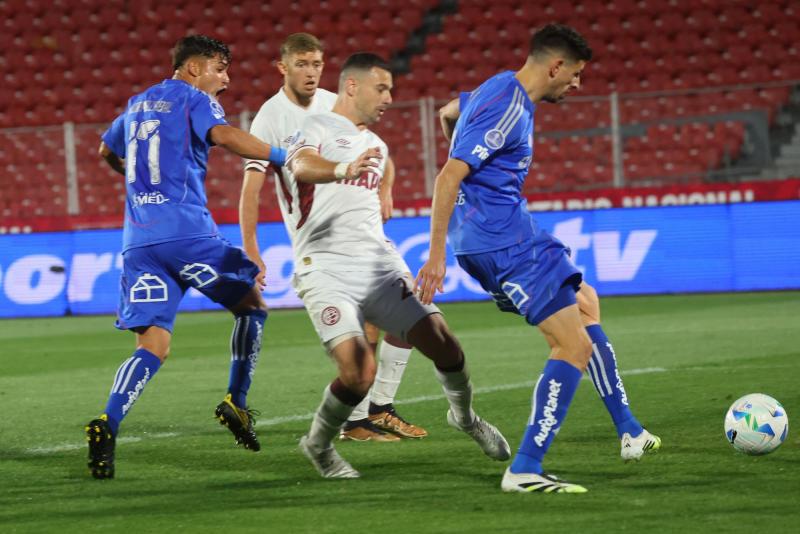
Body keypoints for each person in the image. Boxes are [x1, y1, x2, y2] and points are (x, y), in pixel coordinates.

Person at [415, 24, 661, 494]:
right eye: (576, 74)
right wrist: (435, 256)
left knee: (585, 302)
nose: (577, 84)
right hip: (503, 241)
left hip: (505, 235)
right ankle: (525, 467)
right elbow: (448, 176)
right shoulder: (508, 106)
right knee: (573, 346)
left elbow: (449, 114)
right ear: (555, 66)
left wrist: (470, 198)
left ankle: (629, 430)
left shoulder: (496, 87)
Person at [283, 52, 510, 478]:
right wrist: (342, 168)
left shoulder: (378, 144)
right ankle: (318, 445)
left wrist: (383, 187)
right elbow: (301, 164)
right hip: (324, 266)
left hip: (378, 264)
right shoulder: (314, 127)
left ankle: (464, 418)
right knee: (357, 373)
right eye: (382, 88)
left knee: (444, 343)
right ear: (352, 86)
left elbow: (377, 171)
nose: (390, 97)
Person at [85, 35, 288, 479]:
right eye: (220, 68)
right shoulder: (192, 97)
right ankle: (237, 399)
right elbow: (226, 136)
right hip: (187, 234)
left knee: (152, 344)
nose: (227, 79)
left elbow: (106, 149)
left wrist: (138, 185)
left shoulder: (138, 102)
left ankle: (108, 422)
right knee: (251, 306)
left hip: (139, 241)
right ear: (195, 69)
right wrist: (281, 156)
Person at [241, 33, 426, 442]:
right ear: (283, 68)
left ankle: (374, 411)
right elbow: (251, 190)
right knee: (368, 327)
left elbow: (380, 152)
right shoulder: (269, 119)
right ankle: (362, 418)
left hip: (361, 232)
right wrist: (252, 250)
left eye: (318, 64)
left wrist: (385, 189)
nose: (311, 72)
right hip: (319, 242)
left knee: (407, 308)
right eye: (303, 64)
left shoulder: (333, 103)